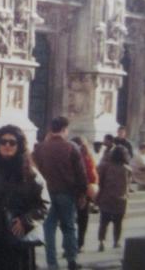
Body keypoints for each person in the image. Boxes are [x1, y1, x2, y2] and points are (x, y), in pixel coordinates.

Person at [0, 124, 47, 270]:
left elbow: (44, 204)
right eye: (3, 142)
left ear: (19, 146)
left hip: (18, 239)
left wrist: (27, 220)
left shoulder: (30, 174)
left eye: (12, 142)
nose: (7, 145)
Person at [33, 116, 87, 270]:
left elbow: (34, 171)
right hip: (67, 192)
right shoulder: (71, 147)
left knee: (48, 228)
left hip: (46, 193)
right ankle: (72, 260)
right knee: (69, 226)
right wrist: (82, 193)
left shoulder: (40, 148)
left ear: (51, 129)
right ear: (64, 129)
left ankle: (52, 263)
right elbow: (81, 173)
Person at [97, 145, 131, 251]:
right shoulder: (127, 169)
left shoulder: (105, 167)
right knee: (118, 222)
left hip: (106, 196)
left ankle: (101, 241)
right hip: (121, 198)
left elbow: (100, 182)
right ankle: (116, 241)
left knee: (104, 221)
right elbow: (128, 186)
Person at [71, 136, 98, 253]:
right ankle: (80, 243)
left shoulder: (70, 156)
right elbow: (93, 175)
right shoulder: (88, 157)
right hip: (85, 191)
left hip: (71, 190)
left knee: (69, 219)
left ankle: (69, 244)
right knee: (83, 218)